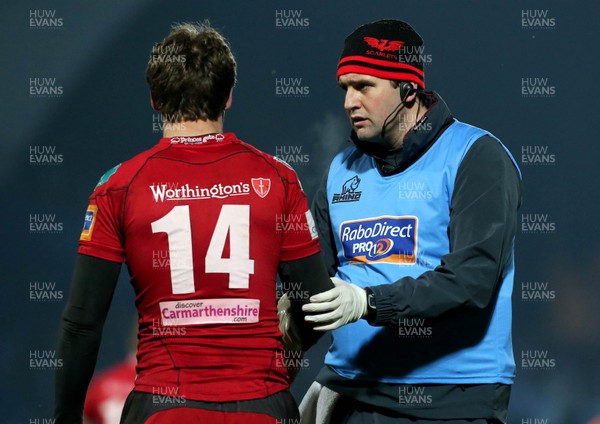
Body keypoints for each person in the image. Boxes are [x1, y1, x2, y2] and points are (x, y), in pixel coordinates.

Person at [54, 22, 333, 424]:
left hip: (164, 408)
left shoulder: (118, 186)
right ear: (229, 95)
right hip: (262, 405)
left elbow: (81, 325)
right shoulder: (278, 178)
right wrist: (284, 354)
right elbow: (316, 304)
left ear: (154, 99)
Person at [300, 19, 522, 423]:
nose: (350, 102)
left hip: (450, 402)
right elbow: (318, 287)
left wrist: (368, 303)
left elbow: (471, 280)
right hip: (350, 393)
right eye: (344, 88)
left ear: (408, 90)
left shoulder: (476, 156)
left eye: (364, 86)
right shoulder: (340, 169)